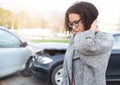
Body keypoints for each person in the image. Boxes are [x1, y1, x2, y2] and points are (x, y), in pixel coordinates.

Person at [61, 1, 114, 85]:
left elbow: (84, 46)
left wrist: (90, 30)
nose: (74, 27)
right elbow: (66, 69)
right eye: (71, 24)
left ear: (88, 20)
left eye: (76, 23)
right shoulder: (76, 38)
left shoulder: (105, 38)